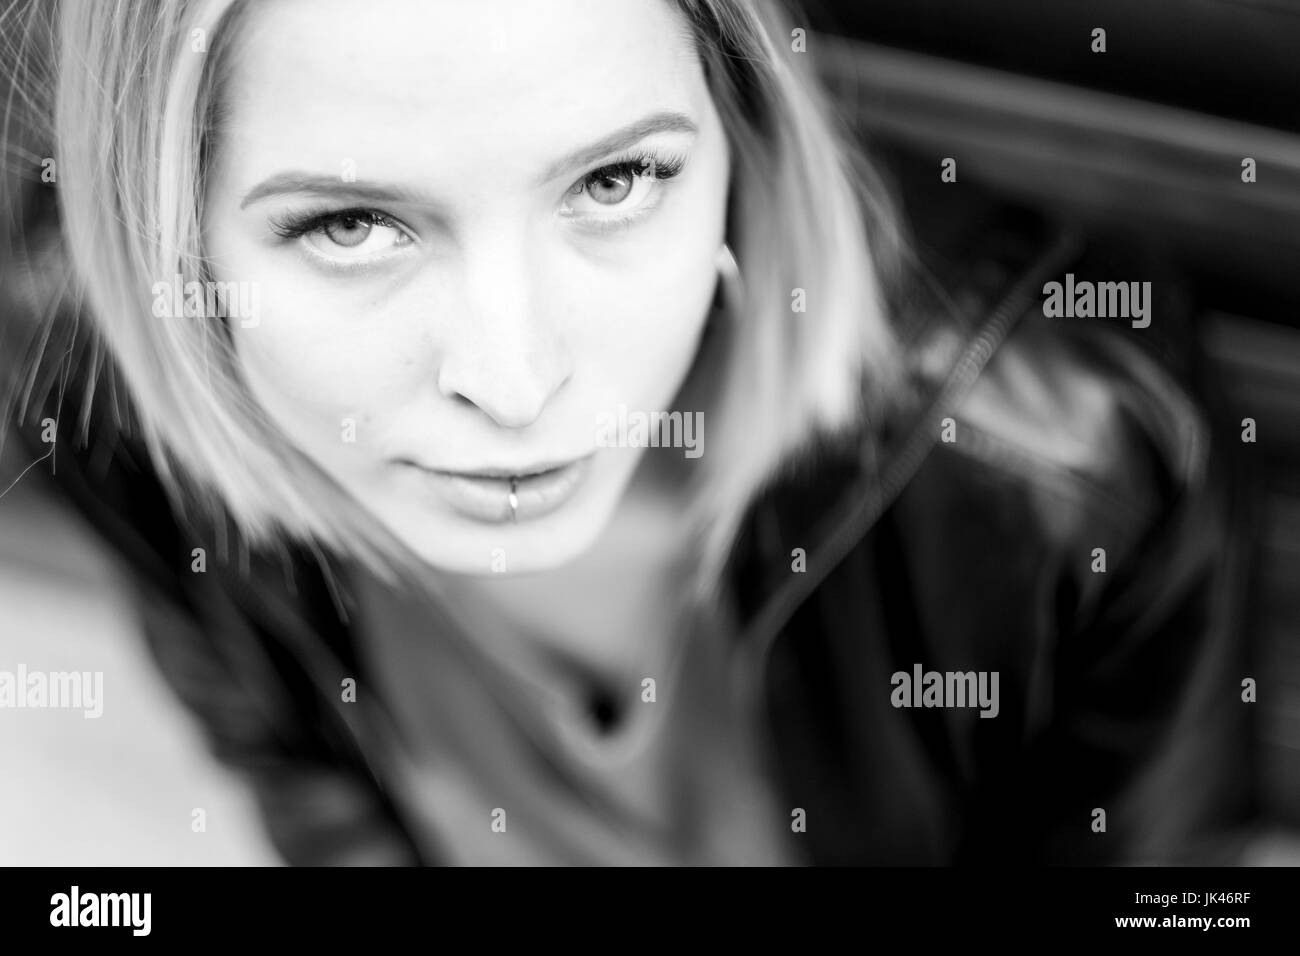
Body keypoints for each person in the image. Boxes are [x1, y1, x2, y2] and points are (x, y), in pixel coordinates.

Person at [0, 0, 1245, 865]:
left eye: (613, 182)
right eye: (351, 223)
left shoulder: (1064, 458)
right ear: (173, 239)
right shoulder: (111, 389)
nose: (516, 381)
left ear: (740, 150)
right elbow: (298, 774)